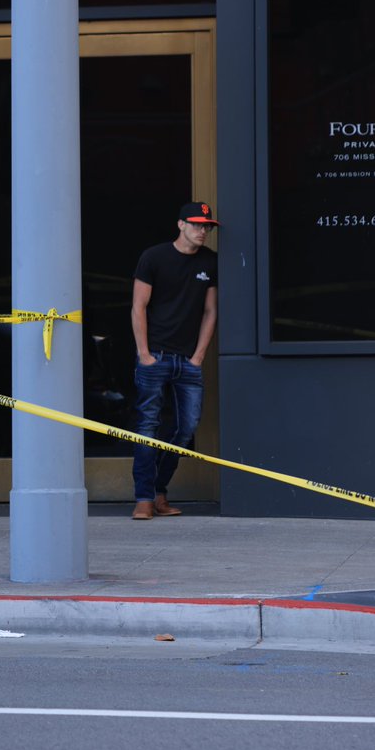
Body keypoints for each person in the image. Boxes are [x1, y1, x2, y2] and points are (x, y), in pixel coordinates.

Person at [129, 202, 219, 520]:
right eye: (196, 224)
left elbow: (210, 311)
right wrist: (144, 353)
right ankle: (144, 498)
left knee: (186, 429)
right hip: (155, 356)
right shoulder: (154, 257)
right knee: (147, 426)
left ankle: (158, 491)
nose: (202, 231)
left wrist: (198, 356)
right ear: (180, 225)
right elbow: (138, 306)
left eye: (207, 226)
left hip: (188, 361)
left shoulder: (210, 260)